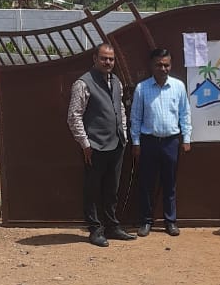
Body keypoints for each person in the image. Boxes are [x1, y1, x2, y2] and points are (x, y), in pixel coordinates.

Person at [67, 42, 135, 247]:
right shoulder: (83, 83)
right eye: (104, 58)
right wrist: (85, 144)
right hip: (94, 146)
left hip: (116, 144)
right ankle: (95, 230)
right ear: (95, 59)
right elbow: (74, 116)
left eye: (111, 59)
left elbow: (120, 110)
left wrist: (123, 134)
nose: (108, 62)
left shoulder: (116, 81)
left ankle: (112, 226)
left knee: (112, 189)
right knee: (92, 189)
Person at [130, 46, 192, 237]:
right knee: (146, 183)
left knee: (169, 183)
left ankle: (170, 221)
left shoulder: (178, 86)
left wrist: (186, 138)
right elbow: (135, 117)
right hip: (148, 142)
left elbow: (185, 114)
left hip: (171, 142)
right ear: (152, 65)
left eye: (166, 65)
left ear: (170, 65)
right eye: (159, 65)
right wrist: (136, 142)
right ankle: (146, 221)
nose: (163, 69)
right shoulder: (142, 88)